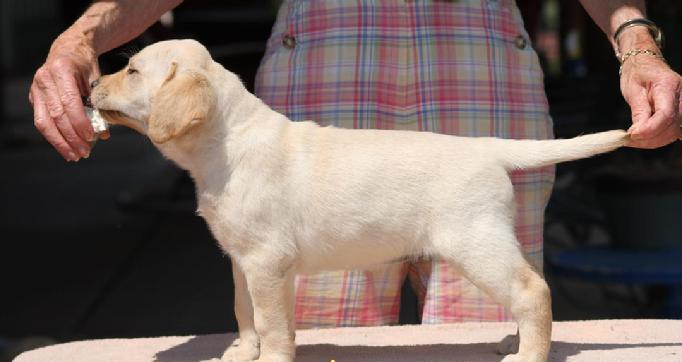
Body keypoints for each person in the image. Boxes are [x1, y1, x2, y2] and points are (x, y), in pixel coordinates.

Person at [31, 1, 682, 328]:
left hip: (482, 78)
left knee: (490, 357)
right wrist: (83, 35)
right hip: (320, 80)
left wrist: (635, 42)